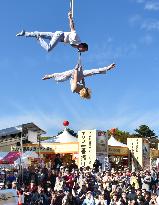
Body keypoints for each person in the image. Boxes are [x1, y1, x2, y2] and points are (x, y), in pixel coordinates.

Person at [16, 11, 88, 53]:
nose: (83, 51)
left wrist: (79, 50)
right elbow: (72, 28)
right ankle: (38, 38)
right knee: (48, 49)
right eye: (84, 50)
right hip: (59, 36)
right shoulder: (76, 38)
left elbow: (74, 45)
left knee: (40, 34)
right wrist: (70, 17)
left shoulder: (77, 46)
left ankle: (25, 33)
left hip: (58, 36)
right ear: (82, 46)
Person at [42, 63, 116, 99]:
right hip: (79, 75)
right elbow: (83, 80)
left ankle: (49, 76)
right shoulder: (83, 88)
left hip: (72, 75)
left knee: (61, 77)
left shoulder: (74, 89)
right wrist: (81, 71)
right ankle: (108, 68)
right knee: (93, 72)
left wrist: (76, 69)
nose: (86, 89)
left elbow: (75, 78)